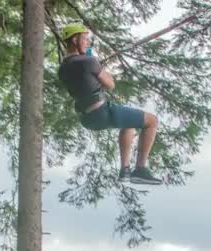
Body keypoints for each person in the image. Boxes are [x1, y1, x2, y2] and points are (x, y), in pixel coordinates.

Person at [58, 23, 163, 185]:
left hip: (88, 119)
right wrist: (95, 62)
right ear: (75, 39)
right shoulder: (88, 61)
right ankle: (141, 169)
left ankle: (125, 171)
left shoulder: (63, 68)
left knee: (129, 124)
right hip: (102, 112)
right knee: (152, 121)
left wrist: (92, 62)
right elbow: (110, 84)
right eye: (85, 39)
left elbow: (85, 82)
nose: (87, 42)